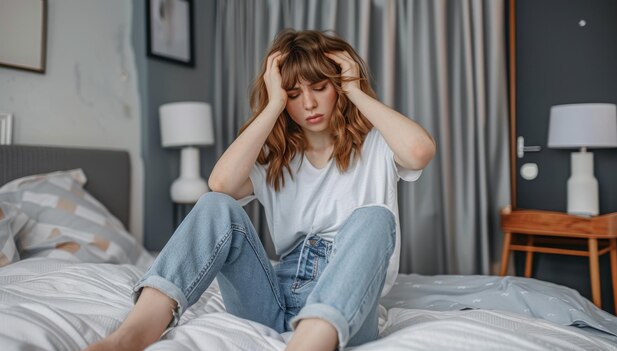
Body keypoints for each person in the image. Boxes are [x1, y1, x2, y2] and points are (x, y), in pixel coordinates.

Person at [85, 29, 435, 351]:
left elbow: (420, 151)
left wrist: (356, 90)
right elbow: (219, 186)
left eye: (320, 87)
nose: (309, 104)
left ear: (338, 86)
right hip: (273, 301)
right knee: (214, 205)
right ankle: (132, 335)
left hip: (343, 310)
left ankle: (308, 342)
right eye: (294, 94)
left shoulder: (376, 144)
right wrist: (272, 105)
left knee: (375, 217)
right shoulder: (276, 162)